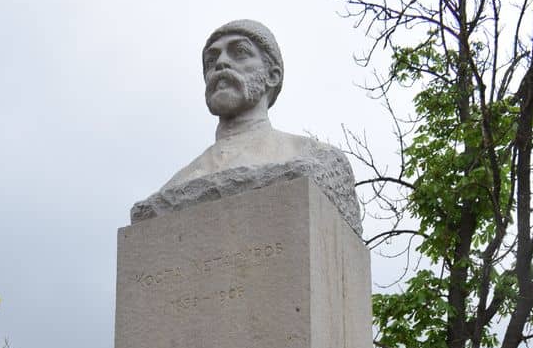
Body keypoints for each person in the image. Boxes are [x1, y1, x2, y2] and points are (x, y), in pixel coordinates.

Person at [132, 20, 361, 233]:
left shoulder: (317, 159)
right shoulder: (178, 184)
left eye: (239, 52)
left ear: (272, 75)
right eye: (211, 61)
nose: (221, 63)